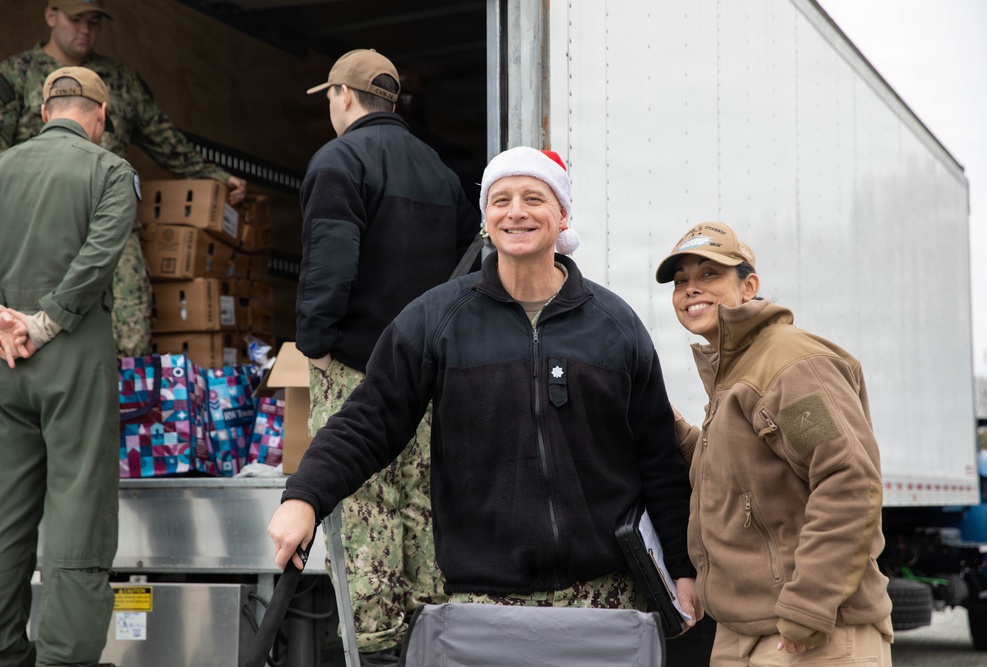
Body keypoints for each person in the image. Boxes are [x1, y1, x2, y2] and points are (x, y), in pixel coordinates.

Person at [271, 146, 700, 656]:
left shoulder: (614, 326)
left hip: (604, 602)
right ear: (485, 221)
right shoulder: (435, 320)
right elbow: (367, 422)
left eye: (533, 198)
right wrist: (304, 498)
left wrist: (682, 568)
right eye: (501, 200)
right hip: (486, 606)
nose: (516, 211)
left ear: (562, 215)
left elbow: (658, 460)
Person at [295, 48, 482, 664]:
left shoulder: (338, 161)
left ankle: (374, 650)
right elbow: (466, 278)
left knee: (364, 506)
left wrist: (315, 347)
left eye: (328, 96)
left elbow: (330, 267)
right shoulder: (441, 173)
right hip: (427, 373)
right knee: (420, 505)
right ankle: (429, 639)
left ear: (344, 96)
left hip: (356, 369)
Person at [655, 222, 893, 666]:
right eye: (681, 280)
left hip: (811, 634)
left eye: (709, 274)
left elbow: (848, 480)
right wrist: (673, 428)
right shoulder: (736, 369)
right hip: (743, 631)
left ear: (749, 287)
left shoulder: (789, 364)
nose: (691, 289)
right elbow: (741, 476)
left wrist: (808, 606)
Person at [0, 0, 247, 358]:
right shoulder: (16, 74)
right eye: (76, 19)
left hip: (110, 214)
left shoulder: (118, 80)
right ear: (50, 16)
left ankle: (126, 405)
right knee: (25, 310)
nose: (85, 29)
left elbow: (164, 138)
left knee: (131, 322)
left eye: (94, 21)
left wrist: (214, 175)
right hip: (39, 217)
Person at [0, 66, 137, 667]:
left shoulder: (2, 167)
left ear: (43, 110)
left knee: (5, 512)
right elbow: (97, 259)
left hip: (4, 357)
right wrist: (44, 321)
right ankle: (64, 658)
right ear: (100, 115)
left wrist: (7, 322)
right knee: (78, 509)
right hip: (69, 356)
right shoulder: (110, 171)